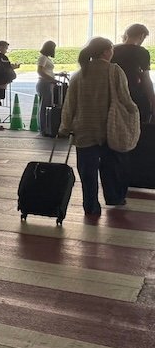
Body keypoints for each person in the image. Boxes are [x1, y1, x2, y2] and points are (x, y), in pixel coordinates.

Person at [59, 37, 136, 216]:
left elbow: (70, 104)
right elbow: (125, 98)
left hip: (84, 129)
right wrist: (135, 112)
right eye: (111, 49)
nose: (112, 53)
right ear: (105, 52)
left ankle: (91, 205)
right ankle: (114, 197)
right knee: (112, 167)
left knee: (87, 171)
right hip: (110, 128)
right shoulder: (114, 71)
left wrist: (65, 127)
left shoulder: (79, 74)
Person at [111, 24, 155, 124]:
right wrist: (152, 99)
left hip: (114, 93)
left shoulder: (112, 50)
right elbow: (146, 79)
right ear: (142, 36)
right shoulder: (142, 52)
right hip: (135, 93)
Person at [0, 41, 19, 131]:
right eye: (5, 48)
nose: (6, 50)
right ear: (0, 47)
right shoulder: (2, 57)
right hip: (0, 82)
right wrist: (13, 67)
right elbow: (6, 68)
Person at [37, 40, 59, 132]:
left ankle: (46, 126)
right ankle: (43, 127)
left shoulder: (46, 58)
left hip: (47, 83)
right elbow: (40, 71)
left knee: (46, 104)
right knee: (45, 106)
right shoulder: (43, 58)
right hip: (45, 83)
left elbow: (47, 71)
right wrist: (51, 79)